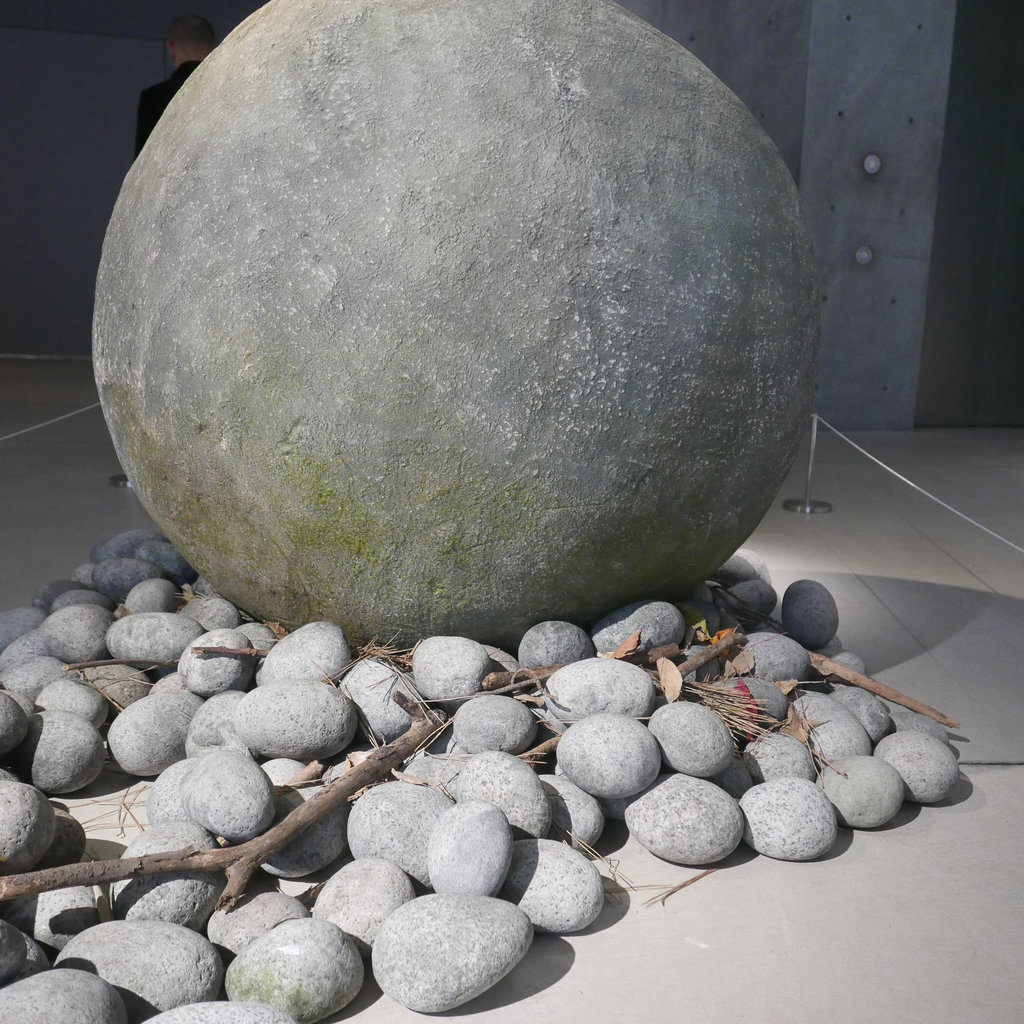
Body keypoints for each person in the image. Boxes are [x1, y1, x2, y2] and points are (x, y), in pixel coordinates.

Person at [135, 15, 216, 156]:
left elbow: (143, 163)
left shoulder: (154, 98)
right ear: (217, 47)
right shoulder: (233, 90)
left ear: (171, 50)